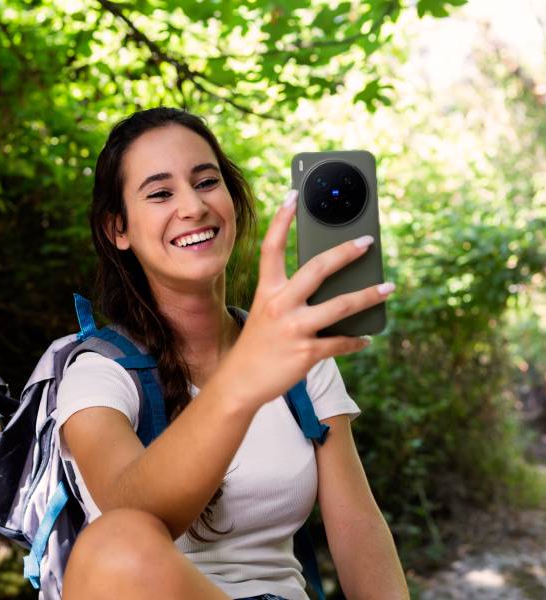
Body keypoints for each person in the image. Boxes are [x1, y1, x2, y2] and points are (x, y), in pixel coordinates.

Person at [56, 107, 408, 600]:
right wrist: (242, 382)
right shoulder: (98, 375)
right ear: (119, 229)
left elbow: (358, 529)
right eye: (160, 193)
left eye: (206, 182)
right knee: (114, 543)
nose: (193, 207)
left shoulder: (296, 357)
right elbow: (129, 518)